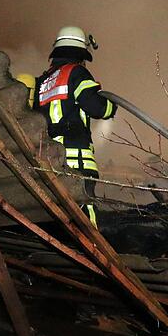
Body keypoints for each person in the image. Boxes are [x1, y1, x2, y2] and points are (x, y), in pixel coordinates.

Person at [28, 26, 116, 226]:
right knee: (85, 207)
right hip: (76, 156)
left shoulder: (42, 81)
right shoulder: (76, 72)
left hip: (49, 156)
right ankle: (95, 251)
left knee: (58, 209)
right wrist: (111, 106)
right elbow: (96, 108)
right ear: (81, 53)